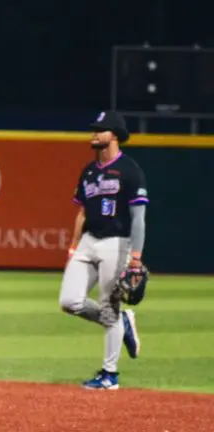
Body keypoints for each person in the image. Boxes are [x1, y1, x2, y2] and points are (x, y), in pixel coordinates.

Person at [59, 110, 148, 390]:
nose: (95, 134)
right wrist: (73, 246)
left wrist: (135, 258)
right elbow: (82, 212)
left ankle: (110, 375)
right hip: (88, 241)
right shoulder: (88, 171)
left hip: (117, 243)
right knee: (69, 301)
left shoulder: (130, 170)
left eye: (101, 130)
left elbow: (139, 218)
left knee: (108, 307)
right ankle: (121, 320)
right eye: (94, 129)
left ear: (115, 135)